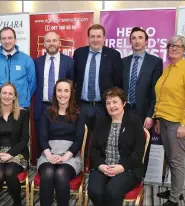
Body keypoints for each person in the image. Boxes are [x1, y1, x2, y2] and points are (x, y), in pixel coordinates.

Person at [154, 35, 185, 206]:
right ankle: (175, 191)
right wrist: (157, 118)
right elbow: (161, 95)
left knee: (177, 160)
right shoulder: (168, 68)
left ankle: (174, 199)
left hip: (179, 122)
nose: (173, 48)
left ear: (184, 49)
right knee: (171, 158)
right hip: (164, 119)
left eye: (177, 46)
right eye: (170, 45)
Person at [87, 87, 145, 206]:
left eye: (115, 102)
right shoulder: (101, 121)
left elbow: (138, 152)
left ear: (123, 103)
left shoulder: (135, 122)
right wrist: (101, 165)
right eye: (108, 103)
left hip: (127, 169)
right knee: (94, 191)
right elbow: (94, 149)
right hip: (104, 166)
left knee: (112, 191)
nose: (111, 106)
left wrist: (122, 167)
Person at [73, 24, 123, 158]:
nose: (95, 40)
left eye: (98, 36)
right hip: (82, 105)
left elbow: (118, 83)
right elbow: (73, 79)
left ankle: (97, 167)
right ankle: (81, 167)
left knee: (101, 140)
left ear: (104, 38)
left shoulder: (113, 55)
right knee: (79, 138)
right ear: (88, 38)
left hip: (103, 107)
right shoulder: (79, 53)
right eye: (92, 36)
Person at [37, 79, 85, 206]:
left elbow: (78, 140)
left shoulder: (79, 113)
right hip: (48, 154)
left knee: (61, 173)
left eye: (66, 90)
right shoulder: (46, 112)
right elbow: (42, 137)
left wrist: (64, 157)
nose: (62, 94)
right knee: (47, 173)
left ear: (71, 93)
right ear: (55, 93)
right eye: (59, 90)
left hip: (71, 156)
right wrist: (50, 157)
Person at [122, 27, 163, 174]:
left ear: (146, 41)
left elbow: (156, 92)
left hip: (143, 114)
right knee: (124, 145)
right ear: (130, 41)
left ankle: (140, 180)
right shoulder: (124, 62)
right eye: (134, 38)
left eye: (140, 38)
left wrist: (150, 115)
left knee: (142, 148)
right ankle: (125, 177)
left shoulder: (155, 62)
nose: (137, 41)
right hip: (124, 113)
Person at [0, 83, 29, 206]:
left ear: (15, 96)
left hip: (17, 152)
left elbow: (24, 139)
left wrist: (10, 154)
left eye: (10, 93)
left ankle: (17, 202)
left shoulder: (23, 114)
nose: (7, 96)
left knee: (9, 173)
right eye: (4, 93)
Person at [33, 31, 74, 158]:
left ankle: (63, 161)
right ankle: (45, 165)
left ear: (59, 43)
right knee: (43, 140)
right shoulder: (36, 62)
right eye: (48, 41)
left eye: (54, 40)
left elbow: (72, 86)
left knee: (61, 138)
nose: (51, 43)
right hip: (42, 107)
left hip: (63, 108)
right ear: (44, 44)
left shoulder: (69, 62)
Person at [0, 27, 36, 110]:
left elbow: (32, 83)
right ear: (0, 40)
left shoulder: (27, 60)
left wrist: (24, 98)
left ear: (15, 39)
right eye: (4, 38)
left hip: (21, 106)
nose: (7, 41)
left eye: (10, 38)